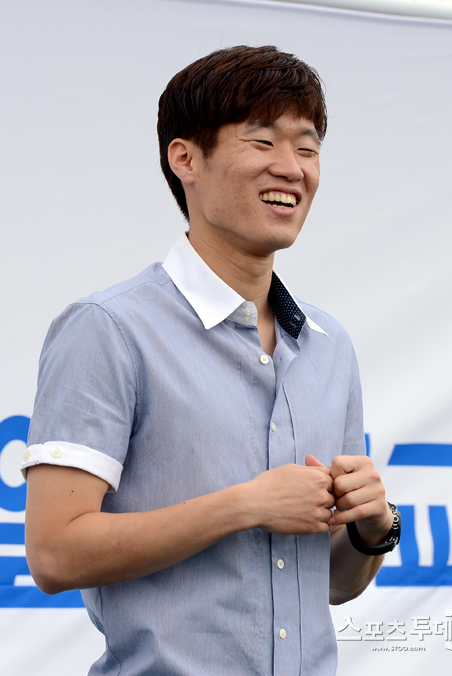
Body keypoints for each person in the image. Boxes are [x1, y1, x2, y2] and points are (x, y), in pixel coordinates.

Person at [23, 45, 400, 676]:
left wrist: (372, 529)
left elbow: (335, 584)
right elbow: (54, 554)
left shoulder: (328, 344)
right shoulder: (110, 328)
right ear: (186, 159)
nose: (291, 168)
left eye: (307, 149)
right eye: (262, 141)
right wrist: (245, 506)